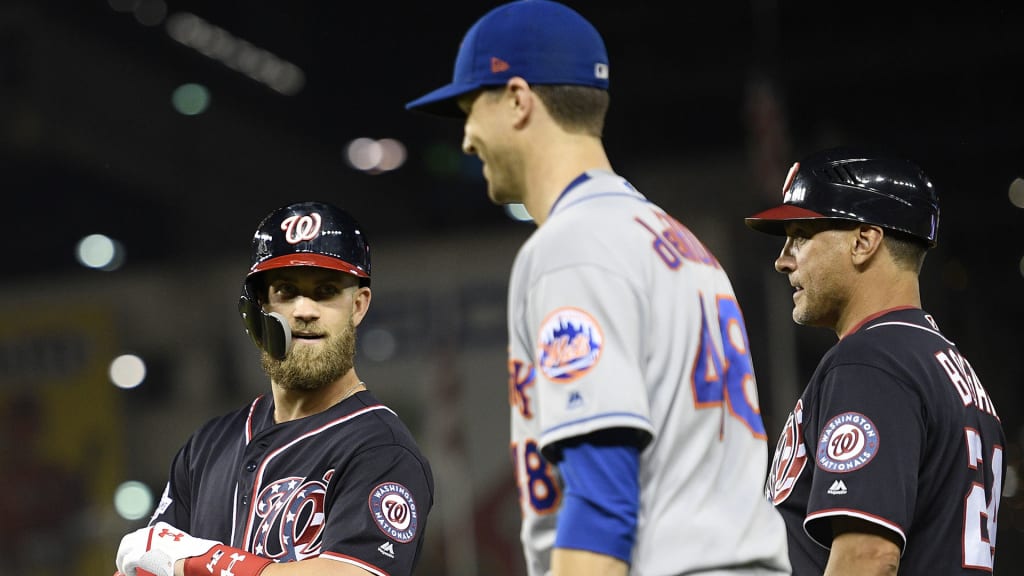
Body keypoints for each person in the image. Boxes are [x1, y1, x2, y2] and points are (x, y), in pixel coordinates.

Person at [406, 1, 790, 574]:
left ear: (517, 99)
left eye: (469, 109)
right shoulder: (677, 242)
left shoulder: (574, 246)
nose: (466, 139)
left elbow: (602, 499)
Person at [114, 201, 434, 576]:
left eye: (326, 291)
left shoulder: (380, 448)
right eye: (286, 291)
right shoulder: (208, 446)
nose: (304, 310)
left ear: (359, 306)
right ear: (259, 308)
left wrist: (205, 560)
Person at [745, 148, 1007, 575]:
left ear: (863, 242)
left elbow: (867, 558)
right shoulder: (946, 365)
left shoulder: (871, 362)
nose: (783, 258)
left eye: (801, 235)